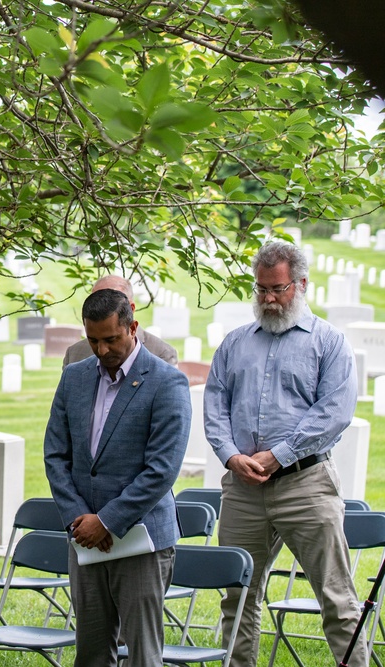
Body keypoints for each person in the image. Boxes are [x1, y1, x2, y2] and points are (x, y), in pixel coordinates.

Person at [204, 240, 365, 667]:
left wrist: (280, 454)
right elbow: (215, 404)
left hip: (306, 484)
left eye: (278, 289)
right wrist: (229, 454)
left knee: (337, 597)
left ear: (302, 284)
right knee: (238, 598)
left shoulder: (329, 342)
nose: (269, 299)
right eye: (261, 290)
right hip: (243, 488)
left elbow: (334, 411)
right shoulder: (235, 343)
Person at [44, 288, 191, 667]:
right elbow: (56, 455)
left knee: (143, 654)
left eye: (111, 339)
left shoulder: (166, 382)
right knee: (91, 651)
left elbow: (162, 468)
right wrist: (81, 519)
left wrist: (107, 521)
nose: (102, 350)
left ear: (133, 327)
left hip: (141, 538)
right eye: (93, 340)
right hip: (85, 538)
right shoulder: (74, 379)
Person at [62, 275, 178, 368]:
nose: (102, 351)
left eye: (111, 339)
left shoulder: (162, 353)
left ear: (131, 308)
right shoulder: (74, 354)